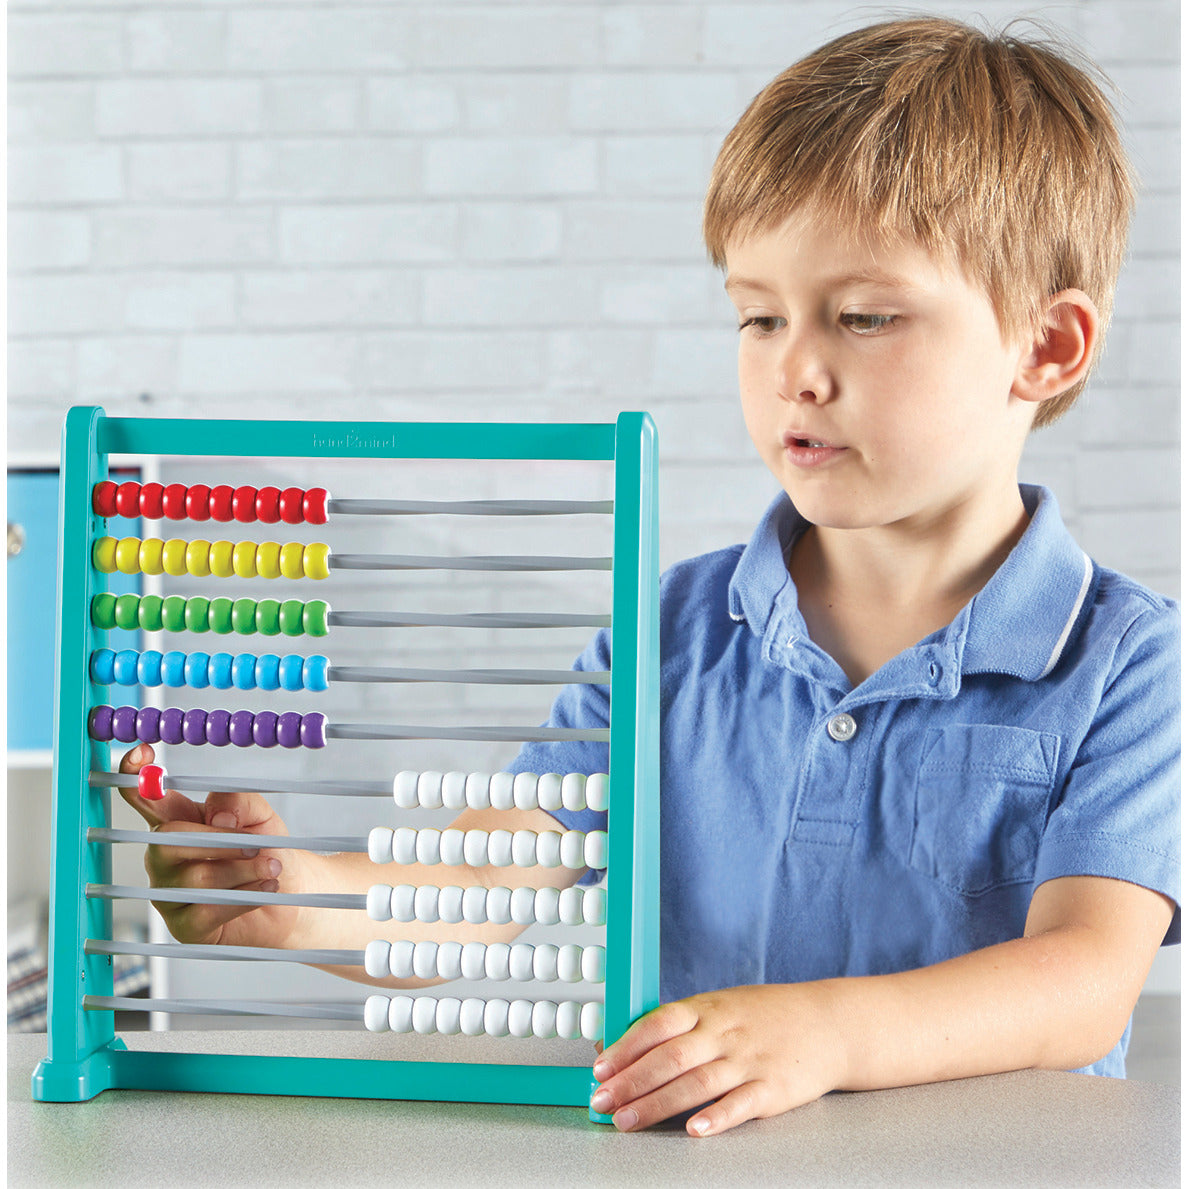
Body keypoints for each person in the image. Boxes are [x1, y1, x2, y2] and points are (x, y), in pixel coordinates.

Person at [119, 16, 1178, 1138]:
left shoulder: (1124, 663)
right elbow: (477, 897)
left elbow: (1081, 980)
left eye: (864, 317)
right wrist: (287, 903)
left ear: (1045, 349)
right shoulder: (663, 635)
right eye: (757, 316)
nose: (794, 371)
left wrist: (822, 1034)